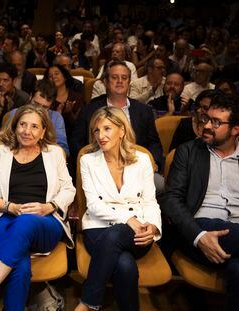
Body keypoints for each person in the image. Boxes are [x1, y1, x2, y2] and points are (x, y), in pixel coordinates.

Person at [0, 104, 75, 311]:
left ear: (43, 132)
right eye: (22, 124)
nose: (26, 131)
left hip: (44, 222)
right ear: (14, 127)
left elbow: (69, 190)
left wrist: (48, 206)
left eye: (34, 126)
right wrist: (8, 206)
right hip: (3, 218)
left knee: (25, 222)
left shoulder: (55, 153)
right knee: (20, 267)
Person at [76, 107, 161, 311]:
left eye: (107, 129)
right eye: (96, 130)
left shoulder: (142, 160)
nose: (101, 136)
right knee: (125, 265)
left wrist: (154, 227)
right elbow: (94, 206)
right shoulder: (87, 160)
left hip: (138, 232)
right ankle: (91, 304)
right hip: (98, 227)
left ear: (122, 130)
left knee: (116, 237)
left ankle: (87, 303)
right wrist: (128, 219)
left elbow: (150, 201)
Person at [160, 93, 239, 310]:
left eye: (216, 122)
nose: (207, 126)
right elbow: (172, 199)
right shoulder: (188, 151)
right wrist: (199, 236)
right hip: (199, 229)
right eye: (206, 119)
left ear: (235, 130)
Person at [71, 60, 163, 173]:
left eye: (124, 78)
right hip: (101, 168)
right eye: (115, 77)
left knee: (160, 185)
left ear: (129, 82)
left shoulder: (144, 111)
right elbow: (76, 142)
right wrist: (89, 163)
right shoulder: (89, 110)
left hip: (137, 167)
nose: (120, 81)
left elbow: (154, 143)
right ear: (105, 82)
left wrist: (155, 162)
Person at [0, 63, 29, 138]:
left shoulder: (23, 98)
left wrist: (11, 108)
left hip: (18, 135)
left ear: (14, 81)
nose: (1, 84)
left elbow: (25, 122)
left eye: (5, 80)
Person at [44, 64, 85, 140]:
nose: (53, 77)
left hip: (73, 138)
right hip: (51, 138)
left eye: (56, 73)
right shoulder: (45, 99)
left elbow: (81, 126)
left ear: (65, 77)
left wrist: (69, 113)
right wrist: (56, 115)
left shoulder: (77, 97)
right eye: (50, 76)